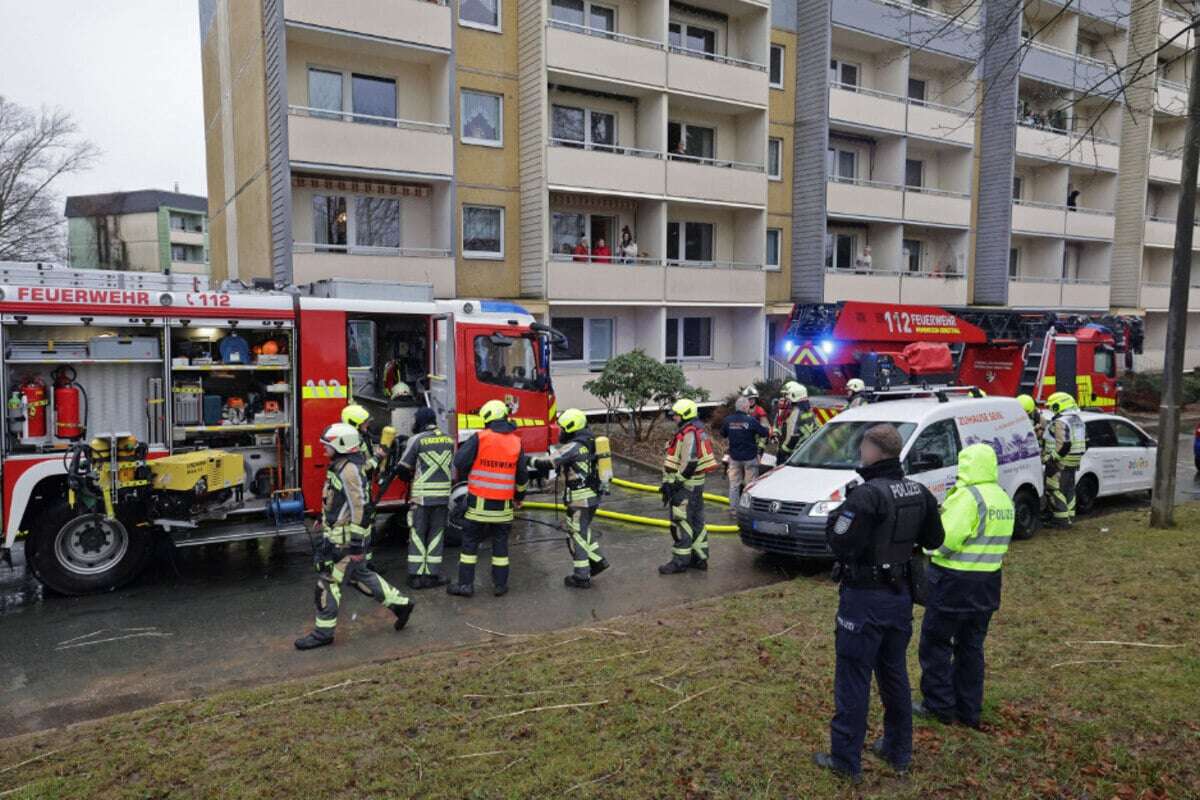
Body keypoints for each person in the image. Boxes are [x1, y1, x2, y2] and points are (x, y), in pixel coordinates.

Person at [812, 424, 945, 782]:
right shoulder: (919, 491)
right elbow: (936, 537)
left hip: (864, 600)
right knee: (894, 674)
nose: (861, 455)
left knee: (853, 678)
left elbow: (840, 543)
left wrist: (837, 517)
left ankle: (845, 760)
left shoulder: (866, 496)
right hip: (899, 597)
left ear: (873, 451)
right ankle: (898, 751)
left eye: (863, 449)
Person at [915, 443, 1013, 729]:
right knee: (971, 648)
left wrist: (925, 546)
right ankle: (969, 709)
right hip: (988, 583)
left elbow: (943, 541)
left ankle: (939, 706)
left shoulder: (967, 498)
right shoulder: (1002, 497)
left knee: (936, 644)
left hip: (954, 583)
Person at [295, 423, 415, 650]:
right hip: (342, 536)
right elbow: (339, 498)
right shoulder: (346, 465)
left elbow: (359, 507)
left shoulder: (348, 470)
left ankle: (323, 633)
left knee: (327, 582)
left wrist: (357, 546)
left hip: (346, 541)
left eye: (326, 446)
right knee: (359, 576)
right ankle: (401, 605)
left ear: (340, 446)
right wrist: (325, 516)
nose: (323, 450)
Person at [447, 400, 529, 597]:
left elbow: (459, 462)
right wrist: (519, 496)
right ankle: (500, 586)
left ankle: (465, 586)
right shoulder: (516, 441)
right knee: (500, 548)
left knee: (469, 546)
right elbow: (522, 477)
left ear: (488, 418)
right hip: (503, 509)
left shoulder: (480, 438)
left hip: (477, 507)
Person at [531, 408, 611, 588]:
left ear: (572, 428)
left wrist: (525, 460)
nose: (561, 432)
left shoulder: (574, 447)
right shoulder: (590, 442)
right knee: (582, 530)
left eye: (563, 428)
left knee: (578, 535)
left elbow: (548, 461)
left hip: (579, 500)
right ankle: (599, 561)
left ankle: (581, 576)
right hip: (592, 497)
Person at [395, 407, 455, 590]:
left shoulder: (416, 440)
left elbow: (402, 468)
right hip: (443, 497)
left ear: (420, 421)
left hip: (422, 499)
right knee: (436, 535)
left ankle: (415, 576)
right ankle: (432, 576)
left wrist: (409, 479)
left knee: (418, 534)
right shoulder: (448, 440)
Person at [659, 398, 718, 574]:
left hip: (685, 487)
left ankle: (680, 561)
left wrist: (674, 483)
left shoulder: (690, 433)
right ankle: (699, 558)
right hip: (695, 485)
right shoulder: (695, 430)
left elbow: (689, 462)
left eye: (676, 414)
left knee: (681, 522)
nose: (674, 417)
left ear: (685, 415)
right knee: (697, 521)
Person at [1042, 391, 1087, 529]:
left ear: (1058, 405)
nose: (1050, 408)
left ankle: (1060, 521)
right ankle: (1069, 518)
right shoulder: (1077, 420)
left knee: (1054, 490)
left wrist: (1050, 458)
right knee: (1068, 490)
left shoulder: (1061, 421)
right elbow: (1085, 442)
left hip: (1059, 462)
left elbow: (1064, 444)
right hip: (1073, 462)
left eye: (1051, 406)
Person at [720, 396, 770, 512]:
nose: (749, 408)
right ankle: (748, 510)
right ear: (744, 407)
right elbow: (764, 433)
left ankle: (734, 510)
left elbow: (723, 434)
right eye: (747, 406)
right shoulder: (751, 421)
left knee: (734, 485)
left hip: (734, 458)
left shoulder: (728, 420)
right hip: (750, 458)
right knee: (750, 486)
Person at [777, 383, 818, 462]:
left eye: (787, 396)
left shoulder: (796, 412)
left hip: (796, 455)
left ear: (794, 396)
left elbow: (793, 437)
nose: (786, 399)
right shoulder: (809, 410)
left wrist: (782, 452)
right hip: (808, 451)